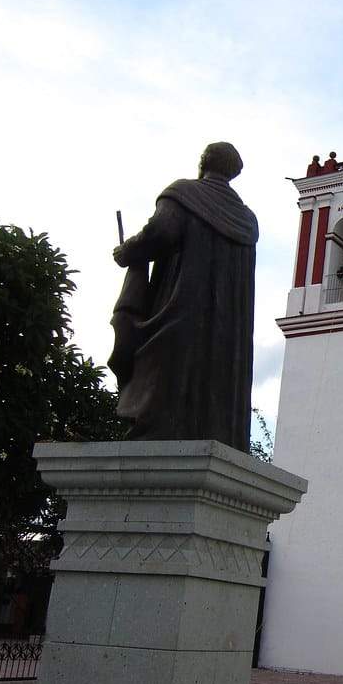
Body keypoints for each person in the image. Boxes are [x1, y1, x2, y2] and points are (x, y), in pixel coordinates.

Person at [108, 142, 258, 452]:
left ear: (203, 163)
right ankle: (216, 432)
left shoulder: (184, 194)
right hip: (227, 328)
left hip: (182, 306)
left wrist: (128, 252)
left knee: (164, 364)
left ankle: (160, 430)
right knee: (214, 376)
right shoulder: (246, 220)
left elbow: (161, 232)